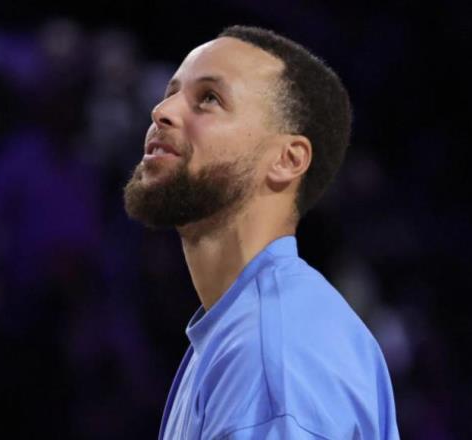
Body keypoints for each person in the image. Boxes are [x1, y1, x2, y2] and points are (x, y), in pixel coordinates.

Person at [124, 25, 399, 440]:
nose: (162, 111)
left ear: (287, 160)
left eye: (209, 98)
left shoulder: (273, 354)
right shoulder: (245, 329)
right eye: (171, 92)